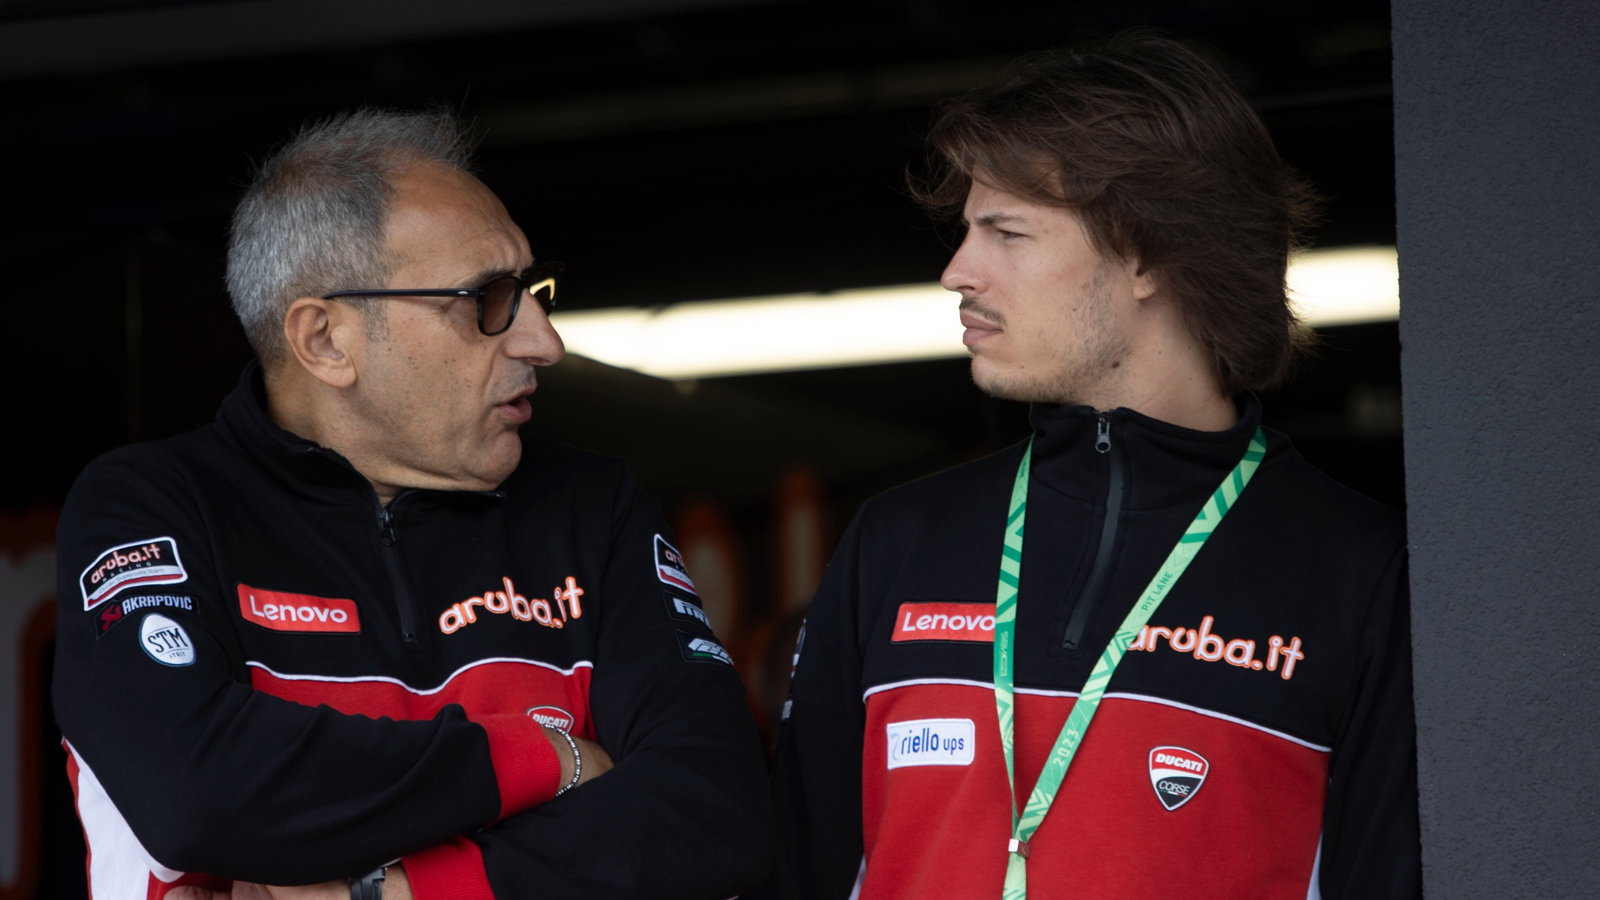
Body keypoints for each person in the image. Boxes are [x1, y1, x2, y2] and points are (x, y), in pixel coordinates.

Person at [53, 108, 771, 900]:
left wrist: (390, 891)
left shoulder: (589, 507)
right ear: (326, 340)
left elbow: (717, 808)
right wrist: (555, 760)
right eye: (487, 301)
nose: (543, 341)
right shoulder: (154, 506)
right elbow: (196, 789)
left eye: (533, 291)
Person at [771, 31, 1419, 899]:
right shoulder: (902, 538)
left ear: (1149, 253)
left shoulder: (1358, 569)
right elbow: (793, 868)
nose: (958, 270)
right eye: (967, 231)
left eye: (1007, 232)